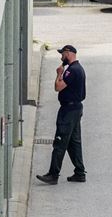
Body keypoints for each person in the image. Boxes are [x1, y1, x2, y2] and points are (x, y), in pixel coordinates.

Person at [36, 45, 87, 184]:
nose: (61, 57)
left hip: (69, 111)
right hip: (75, 109)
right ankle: (80, 172)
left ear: (69, 53)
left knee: (60, 141)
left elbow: (57, 87)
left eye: (62, 54)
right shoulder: (77, 68)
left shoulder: (72, 70)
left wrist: (59, 73)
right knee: (74, 142)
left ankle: (53, 175)